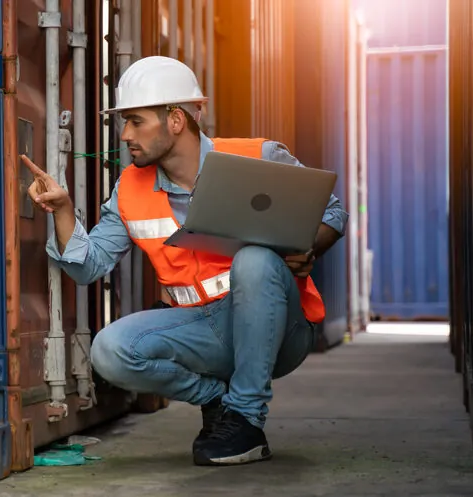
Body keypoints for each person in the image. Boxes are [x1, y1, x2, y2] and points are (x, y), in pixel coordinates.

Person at [23, 56, 348, 466]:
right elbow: (88, 266)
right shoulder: (130, 189)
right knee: (110, 350)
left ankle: (247, 420)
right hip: (201, 331)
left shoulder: (257, 157)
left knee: (255, 260)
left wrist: (309, 247)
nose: (125, 134)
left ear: (175, 120)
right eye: (124, 122)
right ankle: (221, 405)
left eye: (136, 121)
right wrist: (64, 210)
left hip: (280, 331)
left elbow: (332, 213)